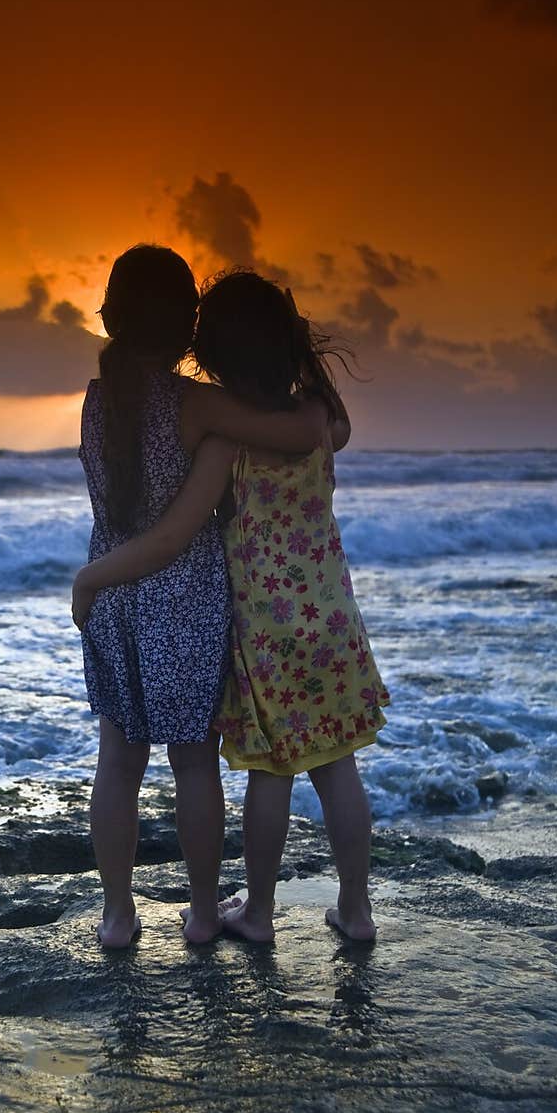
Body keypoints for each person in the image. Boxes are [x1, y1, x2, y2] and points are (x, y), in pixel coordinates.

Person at [73, 269, 390, 945]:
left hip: (168, 609)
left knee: (124, 763)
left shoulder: (107, 404)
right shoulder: (249, 415)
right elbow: (319, 429)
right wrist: (301, 359)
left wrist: (93, 578)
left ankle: (132, 914)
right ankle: (237, 911)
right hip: (272, 609)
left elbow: (172, 521)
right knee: (250, 764)